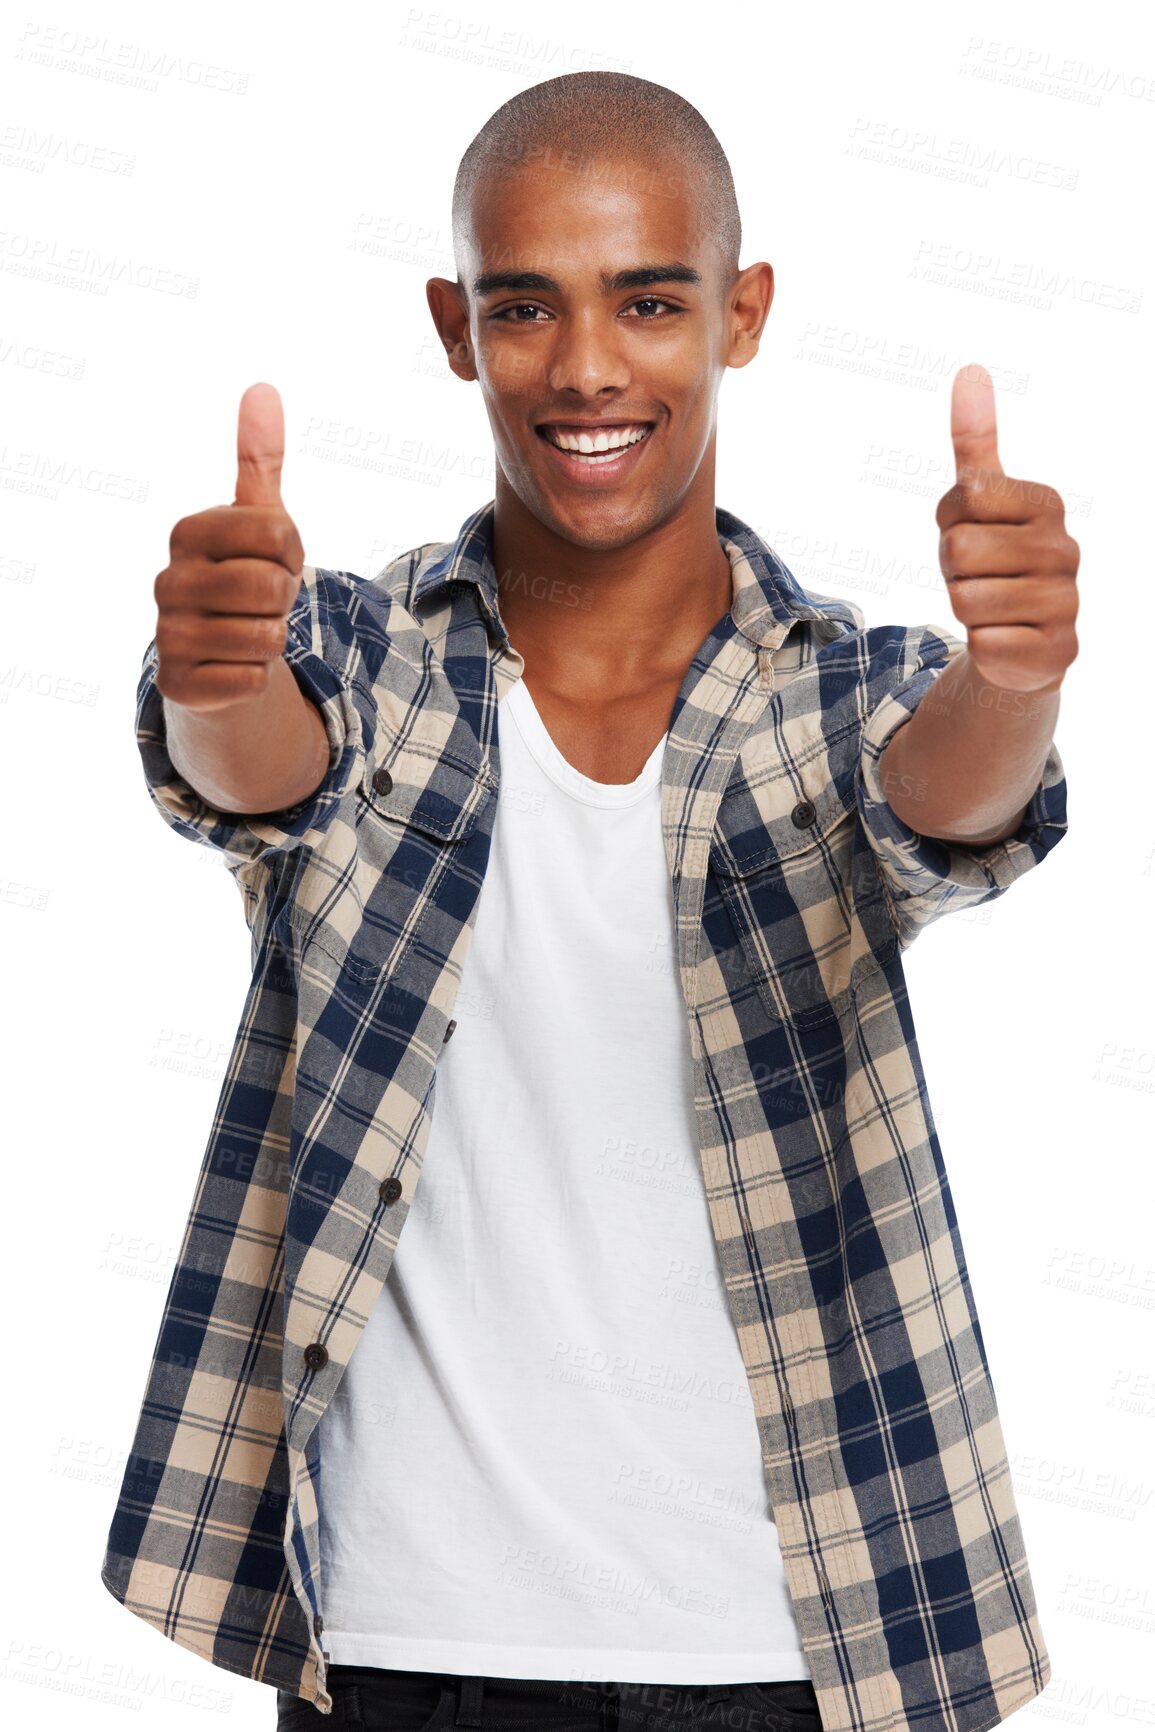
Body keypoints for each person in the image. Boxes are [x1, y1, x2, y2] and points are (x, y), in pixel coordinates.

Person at [101, 71, 1077, 1732]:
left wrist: (1018, 676)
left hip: (781, 1645)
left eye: (648, 300)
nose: (587, 366)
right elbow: (258, 765)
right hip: (408, 1645)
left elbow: (945, 802)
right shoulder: (371, 654)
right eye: (524, 307)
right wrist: (213, 670)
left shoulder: (830, 690)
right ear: (455, 329)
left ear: (741, 315)